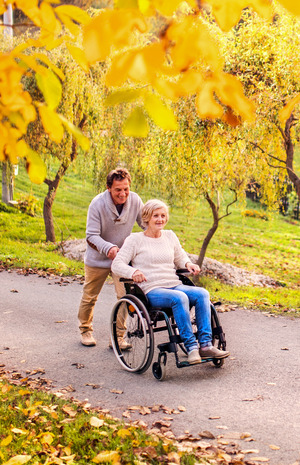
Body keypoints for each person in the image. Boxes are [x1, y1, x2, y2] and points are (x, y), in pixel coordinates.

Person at [111, 199, 229, 364]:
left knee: (202, 293)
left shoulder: (170, 236)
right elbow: (117, 264)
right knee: (179, 298)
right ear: (146, 218)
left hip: (174, 284)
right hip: (151, 289)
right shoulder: (135, 240)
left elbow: (180, 257)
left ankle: (205, 345)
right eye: (156, 216)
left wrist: (188, 264)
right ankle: (191, 348)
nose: (160, 219)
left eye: (163, 215)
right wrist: (133, 272)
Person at [78, 168, 143, 347]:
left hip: (121, 259)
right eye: (118, 190)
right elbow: (91, 236)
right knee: (90, 296)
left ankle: (118, 337)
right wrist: (109, 248)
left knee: (124, 296)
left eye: (126, 189)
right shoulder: (97, 204)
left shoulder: (136, 200)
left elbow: (145, 224)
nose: (123, 194)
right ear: (108, 188)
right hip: (98, 259)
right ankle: (85, 330)